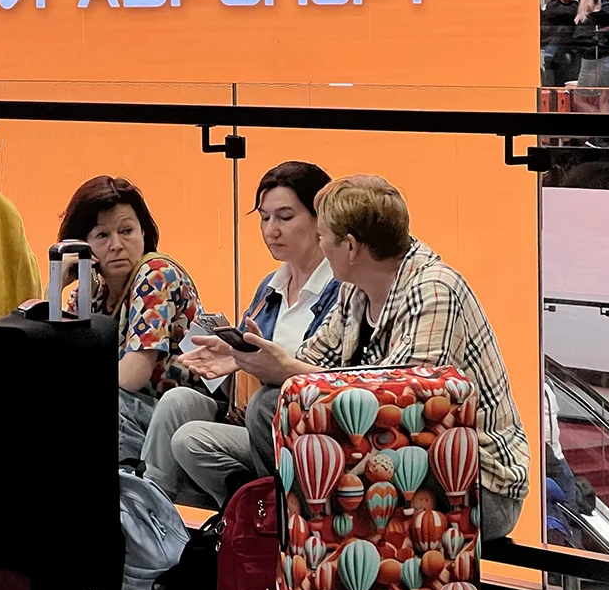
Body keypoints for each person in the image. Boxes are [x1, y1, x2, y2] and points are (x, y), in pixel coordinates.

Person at [184, 175, 530, 539]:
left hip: (474, 485)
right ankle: (298, 536)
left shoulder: (434, 291)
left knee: (275, 404)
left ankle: (310, 538)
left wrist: (289, 370)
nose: (319, 245)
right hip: (391, 461)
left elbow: (410, 413)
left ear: (350, 246)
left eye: (322, 236)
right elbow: (314, 358)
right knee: (270, 405)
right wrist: (250, 359)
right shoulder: (355, 289)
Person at [142, 162, 340, 508]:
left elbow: (330, 377)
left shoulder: (340, 289)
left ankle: (244, 514)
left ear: (320, 219)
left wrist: (263, 366)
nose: (271, 230)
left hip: (295, 429)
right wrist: (231, 359)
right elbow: (245, 370)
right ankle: (150, 505)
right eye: (264, 218)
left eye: (285, 217)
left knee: (191, 440)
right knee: (177, 402)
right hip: (244, 414)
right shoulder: (271, 286)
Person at [57, 175, 203, 465]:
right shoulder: (93, 291)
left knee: (97, 403)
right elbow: (53, 358)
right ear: (81, 245)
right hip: (135, 411)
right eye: (102, 235)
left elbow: (132, 376)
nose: (117, 245)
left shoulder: (156, 273)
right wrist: (56, 285)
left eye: (126, 231)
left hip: (179, 413)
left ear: (143, 232)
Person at [571, 0, 609, 111]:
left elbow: (578, 43)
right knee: (604, 101)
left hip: (590, 63)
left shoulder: (583, 21)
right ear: (599, 1)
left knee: (579, 99)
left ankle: (595, 114)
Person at [541, 0, 579, 87]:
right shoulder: (552, 6)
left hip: (572, 50)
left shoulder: (574, 5)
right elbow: (566, 13)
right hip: (555, 52)